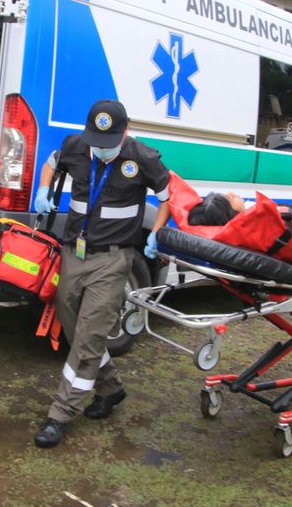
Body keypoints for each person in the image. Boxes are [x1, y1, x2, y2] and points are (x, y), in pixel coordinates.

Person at [33, 99, 171, 448]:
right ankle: (110, 389)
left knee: (90, 334)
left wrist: (157, 230)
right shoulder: (76, 146)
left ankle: (60, 412)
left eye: (108, 144)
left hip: (112, 261)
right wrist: (43, 189)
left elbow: (168, 197)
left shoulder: (144, 158)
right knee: (72, 322)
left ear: (124, 133)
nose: (101, 150)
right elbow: (50, 164)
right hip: (74, 253)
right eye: (96, 142)